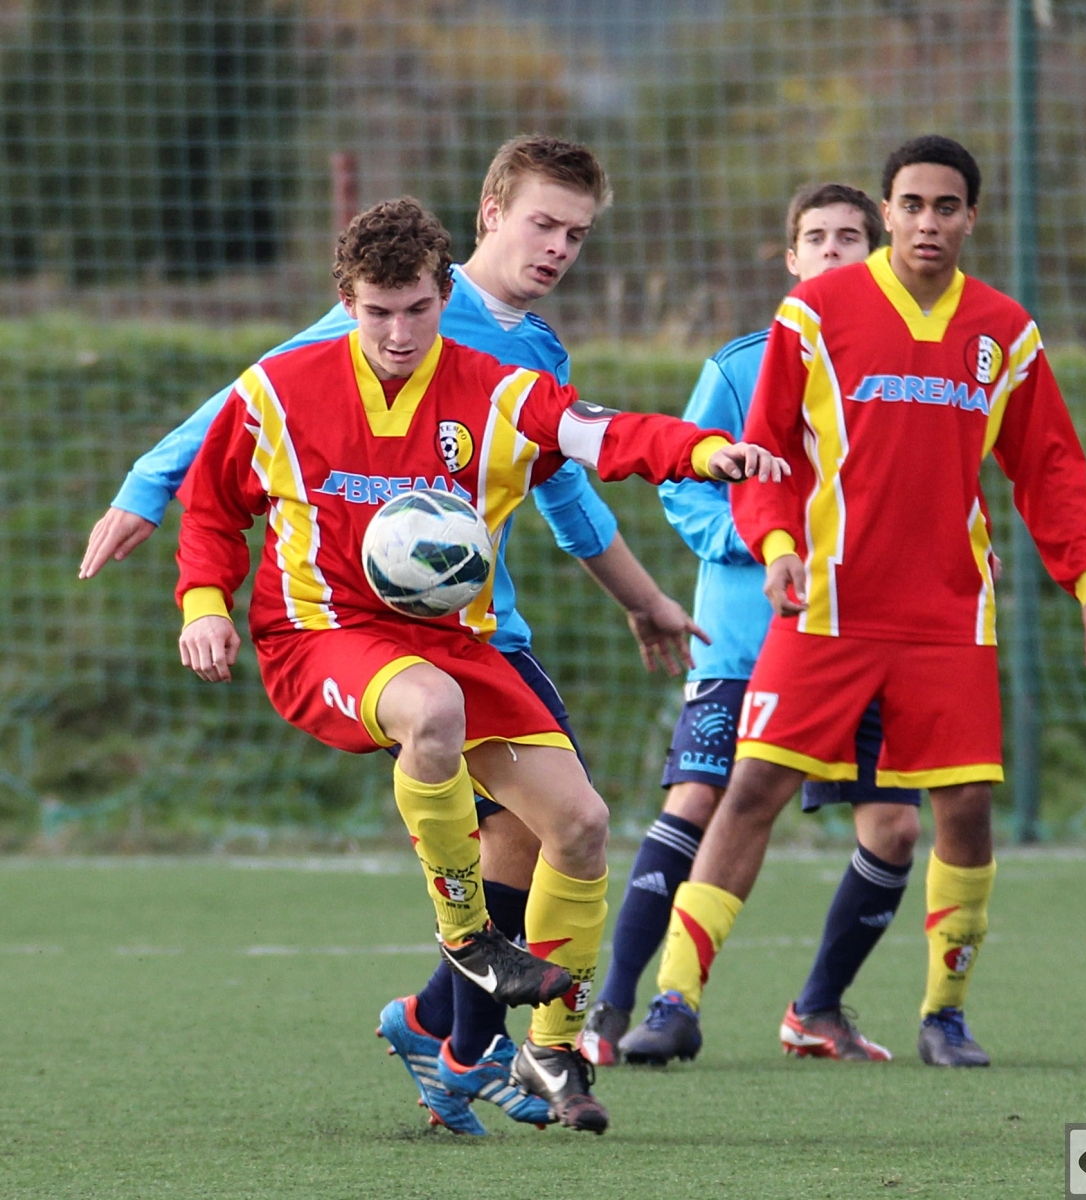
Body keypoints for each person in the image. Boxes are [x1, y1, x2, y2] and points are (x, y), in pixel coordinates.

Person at [79, 136, 707, 1135]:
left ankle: (478, 1041)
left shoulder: (519, 362)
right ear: (489, 214)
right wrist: (165, 521)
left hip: (475, 629)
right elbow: (238, 432)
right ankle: (466, 1003)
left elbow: (578, 468)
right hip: (343, 632)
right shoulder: (358, 336)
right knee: (461, 751)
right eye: (543, 223)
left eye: (577, 233)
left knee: (565, 824)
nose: (557, 246)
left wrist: (653, 565)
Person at [630, 134, 1086, 1069]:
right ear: (887, 212)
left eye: (946, 206)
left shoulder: (1005, 331)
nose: (927, 221)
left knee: (964, 809)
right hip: (826, 610)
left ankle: (944, 1017)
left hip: (948, 618)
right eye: (912, 204)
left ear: (971, 217)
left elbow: (1050, 468)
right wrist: (779, 545)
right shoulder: (816, 313)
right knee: (752, 789)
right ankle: (675, 1002)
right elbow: (768, 448)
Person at [581, 183, 922, 1068]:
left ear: (879, 251)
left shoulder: (908, 367)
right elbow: (686, 485)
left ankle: (818, 1009)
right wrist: (765, 546)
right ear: (793, 259)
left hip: (868, 637)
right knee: (700, 801)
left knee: (894, 829)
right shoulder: (742, 368)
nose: (835, 250)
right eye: (817, 237)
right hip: (747, 637)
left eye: (851, 236)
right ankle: (613, 1010)